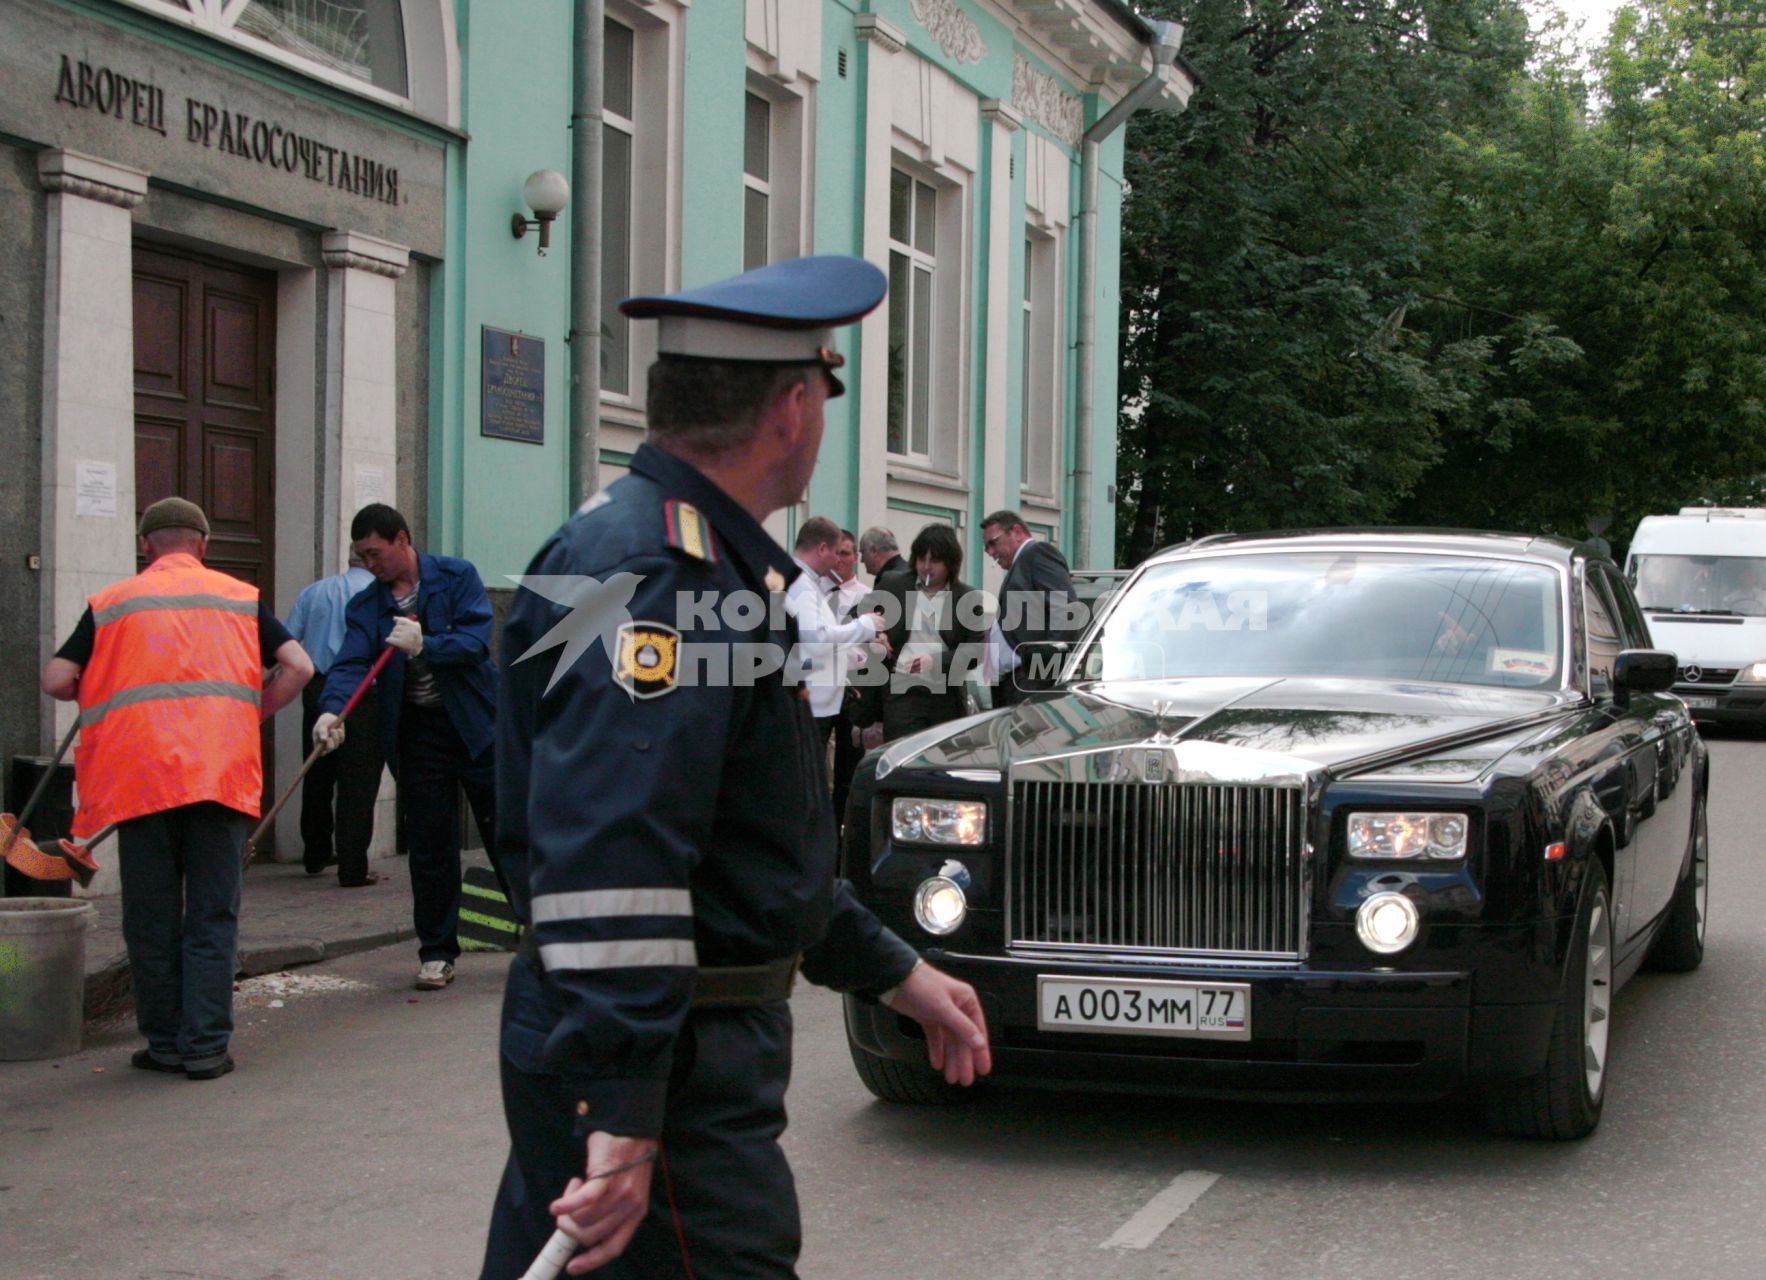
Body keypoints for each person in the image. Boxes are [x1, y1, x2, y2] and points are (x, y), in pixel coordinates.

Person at [483, 255, 990, 1280]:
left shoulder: (662, 554)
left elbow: (734, 849)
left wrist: (891, 967)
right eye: (822, 391)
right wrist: (627, 1113)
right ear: (793, 407)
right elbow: (613, 860)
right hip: (674, 1068)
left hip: (646, 1047)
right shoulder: (669, 575)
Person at [39, 497, 313, 1079]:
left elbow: (57, 679)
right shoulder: (241, 598)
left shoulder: (111, 604)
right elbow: (300, 667)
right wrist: (253, 713)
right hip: (219, 779)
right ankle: (207, 1046)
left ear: (146, 546)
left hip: (141, 784)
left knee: (151, 917)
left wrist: (95, 691)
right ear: (203, 543)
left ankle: (163, 1043)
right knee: (212, 916)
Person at [315, 503, 497, 991]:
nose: (370, 565)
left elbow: (477, 642)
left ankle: (545, 943)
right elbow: (352, 664)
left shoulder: (457, 577)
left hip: (479, 729)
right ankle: (437, 952)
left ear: (401, 539)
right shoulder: (366, 608)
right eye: (361, 557)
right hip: (419, 736)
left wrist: (428, 645)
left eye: (375, 553)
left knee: (509, 835)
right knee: (430, 848)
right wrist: (332, 711)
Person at [284, 554, 383, 886]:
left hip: (319, 686)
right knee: (359, 780)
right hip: (364, 692)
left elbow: (288, 640)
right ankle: (352, 865)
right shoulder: (380, 593)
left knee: (316, 769)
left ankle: (315, 851)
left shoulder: (313, 592)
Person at [785, 516, 888, 758]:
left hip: (814, 701)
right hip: (811, 704)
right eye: (835, 552)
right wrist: (864, 625)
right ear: (822, 549)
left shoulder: (804, 581)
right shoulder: (802, 584)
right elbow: (817, 639)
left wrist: (856, 655)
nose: (836, 561)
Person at [872, 523, 986, 740]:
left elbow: (975, 650)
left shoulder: (968, 597)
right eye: (921, 559)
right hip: (902, 690)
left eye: (934, 561)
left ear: (950, 563)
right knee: (901, 757)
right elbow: (862, 617)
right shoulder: (893, 584)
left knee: (941, 762)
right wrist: (877, 635)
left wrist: (935, 661)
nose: (926, 567)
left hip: (944, 695)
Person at [981, 509, 1076, 706]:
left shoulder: (1038, 553)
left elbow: (1065, 608)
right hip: (1013, 683)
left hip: (1029, 682)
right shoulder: (1022, 564)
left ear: (1016, 532)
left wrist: (1043, 671)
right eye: (986, 547)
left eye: (993, 542)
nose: (990, 552)